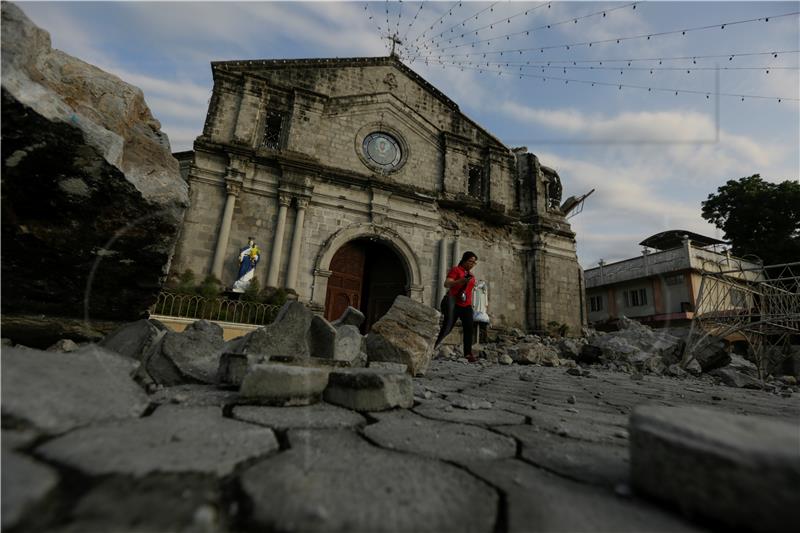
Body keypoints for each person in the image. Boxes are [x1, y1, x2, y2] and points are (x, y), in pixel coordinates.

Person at [434, 251, 479, 362]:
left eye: (474, 262)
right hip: (453, 303)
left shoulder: (471, 275)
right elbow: (446, 284)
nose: (472, 264)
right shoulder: (456, 270)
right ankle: (432, 346)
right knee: (447, 328)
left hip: (467, 305)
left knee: (469, 328)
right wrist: (460, 281)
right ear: (464, 260)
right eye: (470, 261)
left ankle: (468, 354)